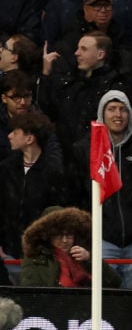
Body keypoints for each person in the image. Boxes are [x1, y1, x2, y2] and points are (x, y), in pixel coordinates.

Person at [71, 90, 132, 289]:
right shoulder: (85, 149)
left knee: (128, 299)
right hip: (102, 239)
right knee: (105, 298)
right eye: (112, 109)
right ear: (102, 113)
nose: (118, 114)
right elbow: (77, 195)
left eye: (123, 109)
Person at [39, 31, 130, 155]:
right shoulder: (74, 83)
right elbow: (50, 110)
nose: (77, 53)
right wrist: (46, 74)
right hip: (66, 155)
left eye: (84, 49)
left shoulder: (114, 87)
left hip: (96, 156)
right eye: (78, 48)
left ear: (100, 55)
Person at [0, 112, 65, 262]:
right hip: (8, 250)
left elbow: (55, 213)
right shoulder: (6, 168)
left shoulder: (52, 172)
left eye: (15, 132)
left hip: (41, 253)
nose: (9, 136)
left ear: (29, 139)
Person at [19, 208, 121, 288]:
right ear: (48, 236)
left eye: (69, 235)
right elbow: (30, 291)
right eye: (58, 235)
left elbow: (114, 283)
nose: (64, 240)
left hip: (87, 306)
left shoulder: (84, 255)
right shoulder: (35, 257)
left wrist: (90, 259)